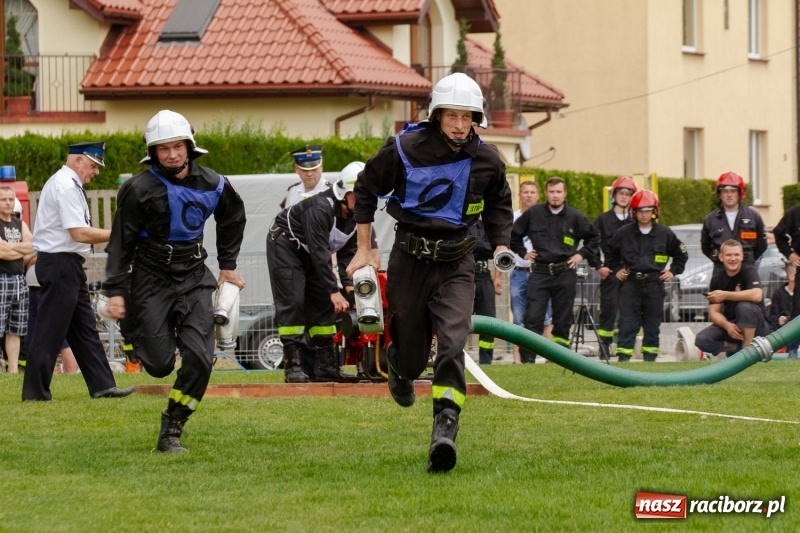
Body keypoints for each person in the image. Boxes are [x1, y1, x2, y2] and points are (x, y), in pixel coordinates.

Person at [346, 72, 513, 473]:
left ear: (477, 118)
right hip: (410, 260)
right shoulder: (403, 148)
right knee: (412, 353)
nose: (459, 124)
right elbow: (366, 189)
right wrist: (364, 248)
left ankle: (444, 430)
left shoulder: (488, 159)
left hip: (459, 263)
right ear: (437, 114)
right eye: (451, 115)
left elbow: (499, 205)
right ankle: (399, 366)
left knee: (453, 344)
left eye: (467, 116)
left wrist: (502, 244)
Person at [104, 110, 246, 452]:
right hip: (150, 278)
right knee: (158, 365)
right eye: (163, 148)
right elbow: (120, 241)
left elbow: (233, 217)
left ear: (189, 145)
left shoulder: (215, 183)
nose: (171, 154)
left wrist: (227, 265)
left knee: (199, 359)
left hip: (196, 276)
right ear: (153, 153)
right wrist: (116, 290)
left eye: (177, 146)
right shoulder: (137, 189)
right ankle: (136, 330)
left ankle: (173, 426)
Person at [22, 142, 134, 401]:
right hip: (61, 263)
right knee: (49, 329)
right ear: (78, 160)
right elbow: (79, 232)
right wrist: (121, 233)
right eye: (93, 166)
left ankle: (103, 385)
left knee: (84, 328)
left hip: (66, 264)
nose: (95, 172)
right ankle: (35, 392)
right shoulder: (65, 186)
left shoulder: (67, 184)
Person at [268, 161, 368, 384]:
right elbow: (320, 251)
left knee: (323, 305)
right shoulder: (320, 207)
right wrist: (334, 290)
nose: (364, 200)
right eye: (359, 195)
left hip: (312, 253)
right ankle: (293, 365)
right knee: (293, 301)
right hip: (286, 246)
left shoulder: (355, 216)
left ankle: (326, 367)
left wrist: (349, 285)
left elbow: (347, 253)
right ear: (344, 193)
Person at [511, 177, 600, 361]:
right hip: (540, 273)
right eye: (552, 192)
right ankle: (528, 361)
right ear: (546, 193)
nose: (555, 196)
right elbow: (513, 235)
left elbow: (594, 237)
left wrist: (580, 255)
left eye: (559, 192)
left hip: (564, 273)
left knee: (562, 319)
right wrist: (523, 253)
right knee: (533, 318)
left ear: (565, 193)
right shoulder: (534, 214)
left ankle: (559, 359)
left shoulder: (575, 217)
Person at [606, 190, 688, 362]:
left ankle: (650, 359)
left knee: (652, 324)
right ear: (634, 212)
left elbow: (681, 255)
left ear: (654, 211)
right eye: (640, 210)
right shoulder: (623, 233)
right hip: (630, 285)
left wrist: (672, 271)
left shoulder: (665, 234)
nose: (644, 214)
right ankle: (623, 359)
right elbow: (610, 252)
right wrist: (616, 269)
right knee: (627, 323)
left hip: (654, 286)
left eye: (647, 210)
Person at [694, 240, 770, 357]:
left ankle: (747, 351)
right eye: (729, 255)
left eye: (736, 255)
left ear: (742, 256)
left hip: (757, 326)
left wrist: (725, 295)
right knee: (702, 339)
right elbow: (713, 312)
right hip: (733, 325)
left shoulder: (748, 270)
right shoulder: (717, 278)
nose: (733, 258)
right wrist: (727, 325)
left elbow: (757, 295)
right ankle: (734, 348)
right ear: (721, 257)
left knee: (744, 306)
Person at [593, 176, 637, 354]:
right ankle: (604, 345)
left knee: (630, 312)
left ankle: (625, 347)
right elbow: (592, 244)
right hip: (611, 272)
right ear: (614, 195)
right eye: (621, 193)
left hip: (632, 274)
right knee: (608, 310)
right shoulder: (603, 220)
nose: (624, 197)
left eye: (628, 194)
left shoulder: (636, 220)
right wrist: (598, 266)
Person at [509, 180, 552, 363]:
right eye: (525, 192)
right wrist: (497, 276)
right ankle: (519, 360)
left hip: (541, 273)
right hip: (518, 273)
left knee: (546, 317)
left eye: (532, 192)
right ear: (519, 195)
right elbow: (503, 248)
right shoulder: (512, 218)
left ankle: (550, 358)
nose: (528, 195)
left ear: (538, 196)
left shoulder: (547, 217)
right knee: (519, 318)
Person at [700, 171, 767, 270]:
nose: (729, 195)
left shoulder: (753, 216)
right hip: (721, 269)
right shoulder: (710, 219)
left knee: (754, 286)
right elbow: (705, 246)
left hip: (747, 268)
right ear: (719, 193)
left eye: (733, 191)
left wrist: (748, 260)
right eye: (725, 191)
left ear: (740, 193)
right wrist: (719, 260)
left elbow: (762, 244)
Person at [24, 258, 79, 374]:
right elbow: (25, 258)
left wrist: (33, 258)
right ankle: (44, 370)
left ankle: (72, 370)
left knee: (57, 332)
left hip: (47, 286)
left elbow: (40, 256)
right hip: (32, 288)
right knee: (34, 334)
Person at [0, 187, 31, 374]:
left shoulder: (20, 224)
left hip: (20, 280)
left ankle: (12, 371)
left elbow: (34, 246)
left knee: (15, 328)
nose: (8, 203)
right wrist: (21, 249)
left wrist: (10, 248)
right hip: (1, 279)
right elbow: (1, 252)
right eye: (3, 199)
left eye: (11, 199)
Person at [470, 218, 500, 364]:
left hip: (484, 277)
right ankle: (458, 359)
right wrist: (483, 245)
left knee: (489, 321)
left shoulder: (486, 225)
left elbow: (493, 250)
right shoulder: (459, 222)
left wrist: (475, 244)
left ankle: (486, 361)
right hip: (464, 278)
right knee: (458, 320)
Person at [281, 144, 329, 209]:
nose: (309, 174)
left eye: (314, 169)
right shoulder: (293, 192)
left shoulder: (330, 192)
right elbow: (286, 218)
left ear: (321, 167)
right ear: (296, 169)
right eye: (304, 170)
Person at [767, 263, 798, 359]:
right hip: (785, 334)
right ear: (792, 277)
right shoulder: (778, 295)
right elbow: (772, 318)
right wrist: (779, 321)